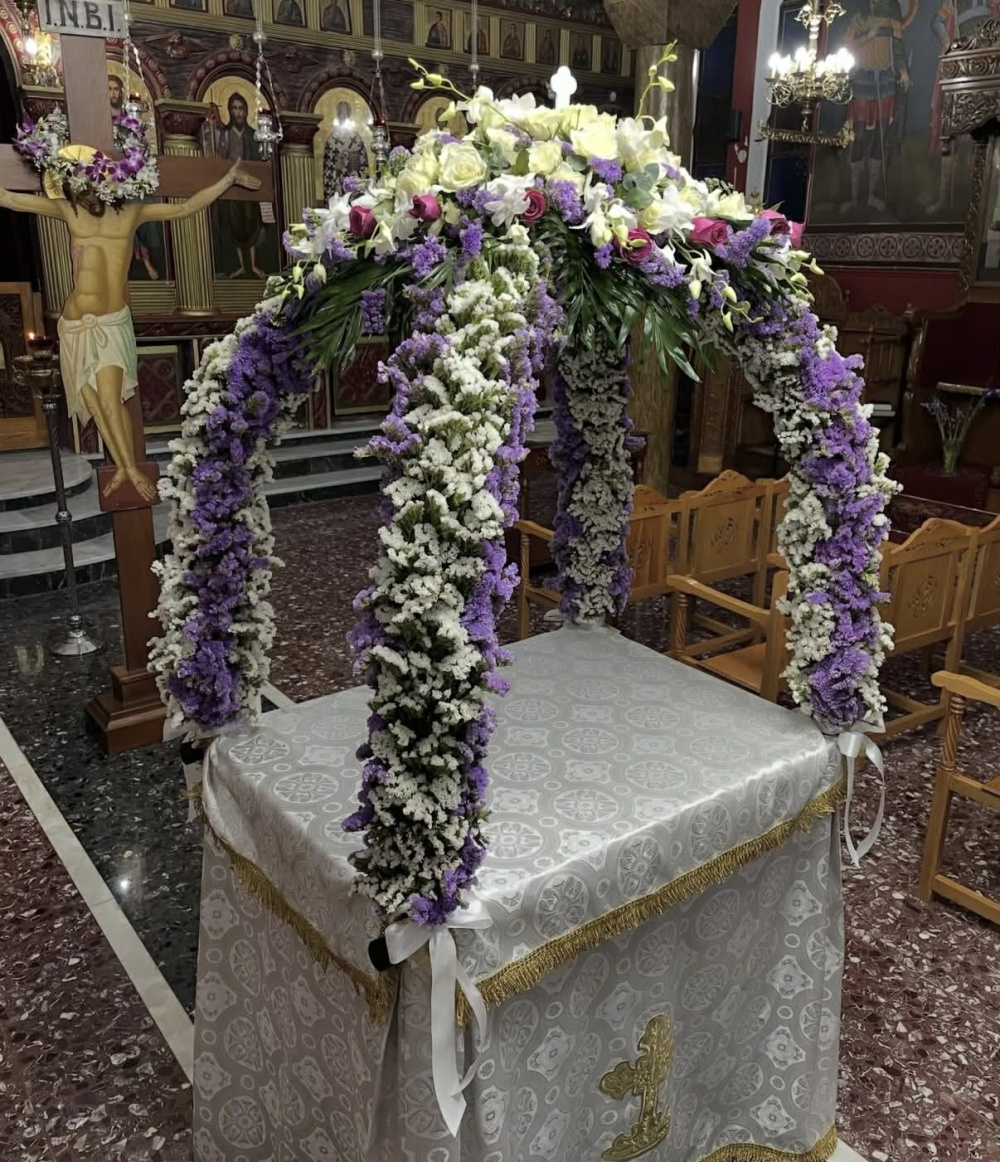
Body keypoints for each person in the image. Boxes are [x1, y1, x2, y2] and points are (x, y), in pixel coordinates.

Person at [0, 155, 259, 502]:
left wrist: (228, 179)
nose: (92, 185)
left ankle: (131, 467)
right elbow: (12, 200)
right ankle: (123, 467)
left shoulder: (133, 213)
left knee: (111, 399)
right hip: (74, 324)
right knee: (94, 403)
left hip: (110, 322)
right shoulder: (68, 210)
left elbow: (185, 208)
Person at [840, 0, 910, 214]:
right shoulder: (859, 15)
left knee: (881, 135)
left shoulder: (891, 8)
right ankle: (854, 197)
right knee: (859, 136)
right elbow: (847, 45)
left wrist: (903, 71)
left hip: (885, 78)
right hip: (862, 79)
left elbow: (897, 42)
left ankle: (871, 195)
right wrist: (868, 36)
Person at [108, 75, 161, 281]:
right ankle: (137, 264)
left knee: (144, 213)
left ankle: (147, 259)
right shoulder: (101, 120)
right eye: (109, 89)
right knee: (123, 217)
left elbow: (143, 145)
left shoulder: (130, 119)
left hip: (135, 175)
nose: (113, 93)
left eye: (116, 89)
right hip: (111, 178)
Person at [215, 93, 267, 279]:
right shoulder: (224, 134)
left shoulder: (253, 135)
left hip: (250, 186)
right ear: (230, 111)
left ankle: (252, 265)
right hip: (230, 187)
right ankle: (240, 266)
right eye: (234, 108)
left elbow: (260, 159)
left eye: (241, 109)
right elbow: (219, 158)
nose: (238, 113)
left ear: (246, 111)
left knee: (251, 224)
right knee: (234, 226)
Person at [323, 101, 369, 200]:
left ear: (349, 115)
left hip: (354, 185)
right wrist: (336, 168)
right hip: (338, 185)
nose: (343, 117)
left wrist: (358, 175)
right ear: (337, 115)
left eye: (345, 114)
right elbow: (328, 169)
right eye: (340, 114)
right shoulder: (331, 140)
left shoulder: (356, 139)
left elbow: (364, 166)